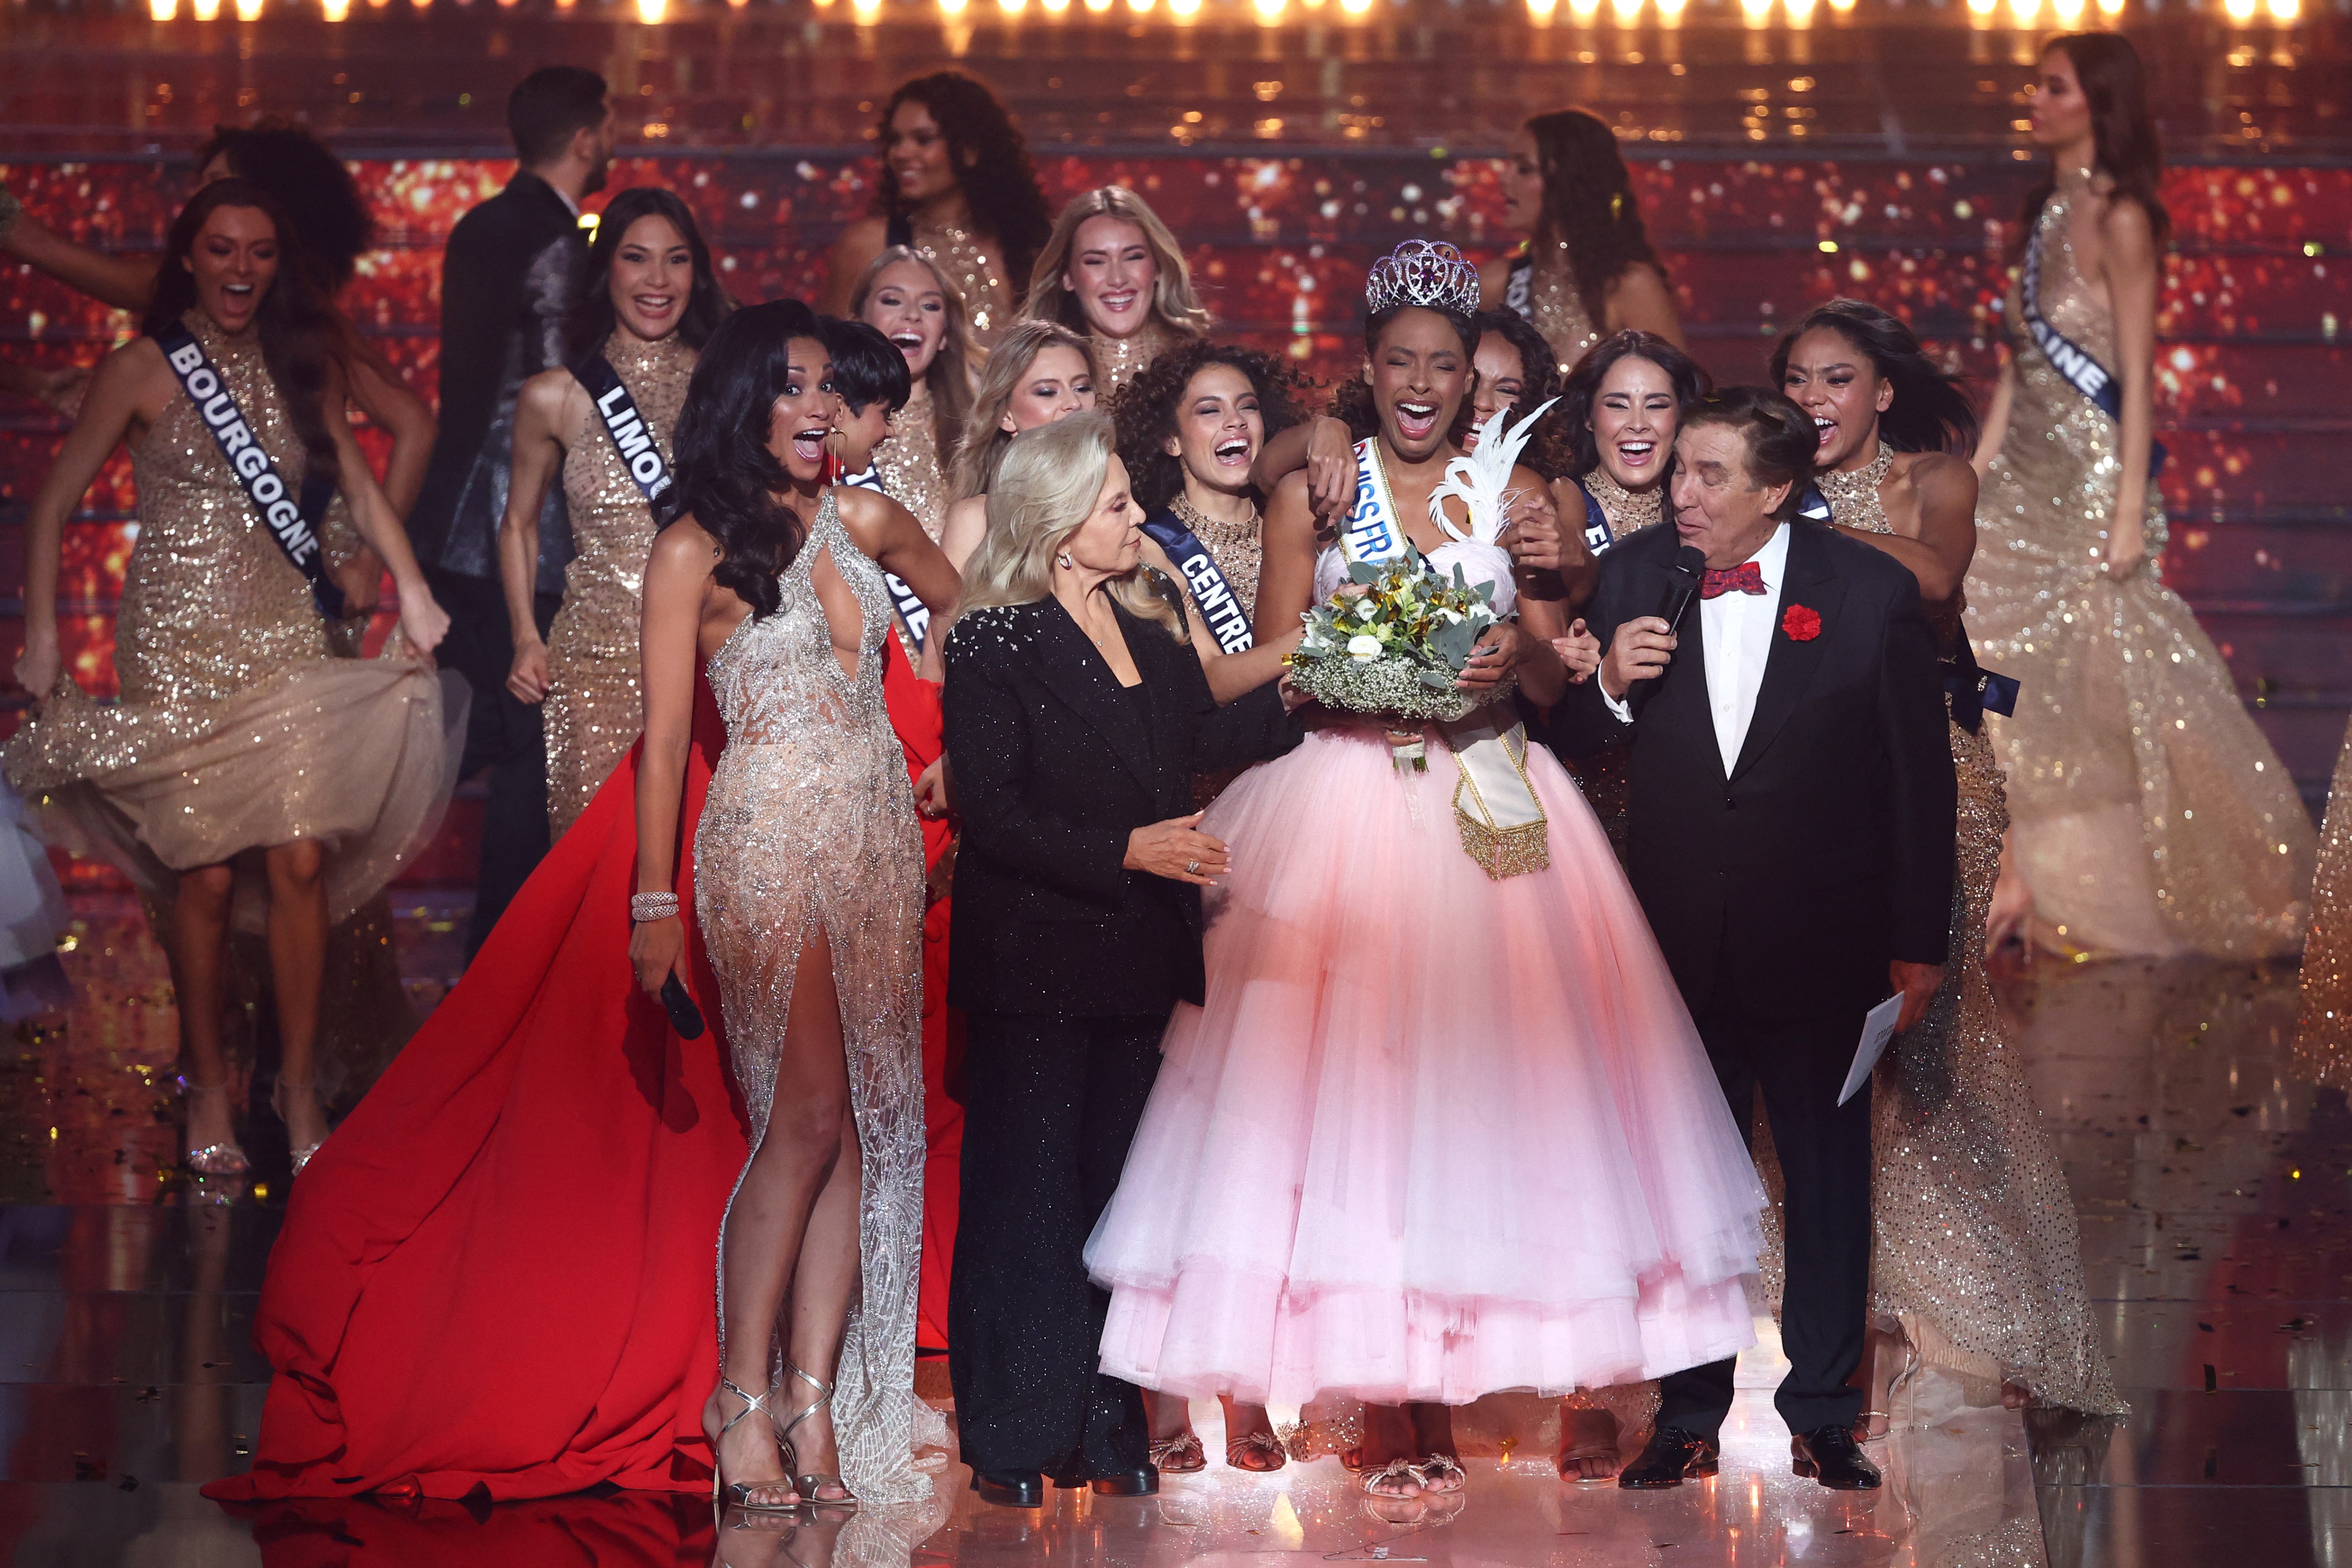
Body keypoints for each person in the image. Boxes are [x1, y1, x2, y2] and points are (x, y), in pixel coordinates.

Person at [1087, 243, 1765, 1506]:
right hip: (1341, 801)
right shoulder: (1317, 488)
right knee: (1350, 1100)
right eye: (1398, 361)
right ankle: (1389, 1402)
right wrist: (1361, 660)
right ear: (1368, 366)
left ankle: (1471, 1378)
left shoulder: (1521, 490)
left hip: (1485, 801)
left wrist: (1516, 647)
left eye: (1442, 366)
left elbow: (1555, 674)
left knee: (1486, 1103)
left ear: (1471, 379)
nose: (1419, 384)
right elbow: (1278, 671)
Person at [4, 179, 454, 1178]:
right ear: (189, 259)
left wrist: (412, 589)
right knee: (203, 876)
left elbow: (362, 487)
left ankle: (296, 1086)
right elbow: (53, 506)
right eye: (221, 249)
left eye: (258, 250)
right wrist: (42, 635)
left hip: (286, 640)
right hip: (174, 646)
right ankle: (209, 1077)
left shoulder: (305, 360)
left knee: (300, 859)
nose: (240, 269)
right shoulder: (139, 368)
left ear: (277, 263)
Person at [1552, 385, 1957, 1492]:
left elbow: (1918, 783)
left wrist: (1918, 942)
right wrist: (1608, 683)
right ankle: (1685, 1416)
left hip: (1822, 938)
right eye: (1679, 468)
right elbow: (1570, 735)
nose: (1680, 491)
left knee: (1827, 1182)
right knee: (1684, 1183)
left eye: (1710, 474)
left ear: (1776, 489)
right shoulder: (1636, 573)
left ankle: (1823, 1413)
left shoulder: (1868, 592)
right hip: (1675, 942)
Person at [939, 411, 1304, 1510]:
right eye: (1116, 505)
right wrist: (1125, 850)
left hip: (1139, 956)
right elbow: (992, 811)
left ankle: (1105, 1428)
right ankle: (1010, 1432)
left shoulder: (1147, 617)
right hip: (1035, 959)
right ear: (1058, 528)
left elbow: (1204, 738)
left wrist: (1321, 686)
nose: (1138, 517)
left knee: (1115, 1205)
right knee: (1025, 1198)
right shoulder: (992, 640)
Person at [1773, 298, 2126, 1426]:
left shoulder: (1930, 479)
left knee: (1929, 1043)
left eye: (1835, 379)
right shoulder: (1763, 490)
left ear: (1881, 392)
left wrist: (1789, 533)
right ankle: (1854, 1318)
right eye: (1795, 381)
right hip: (1811, 780)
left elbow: (1932, 578)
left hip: (1934, 773)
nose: (1812, 401)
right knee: (1820, 1054)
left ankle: (1999, 1313)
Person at [632, 299, 959, 1512]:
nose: (821, 407)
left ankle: (811, 1397)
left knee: (863, 1127)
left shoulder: (866, 518)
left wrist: (959, 736)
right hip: (767, 839)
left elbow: (968, 604)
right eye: (796, 385)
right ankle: (739, 1395)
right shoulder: (691, 548)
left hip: (877, 840)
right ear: (744, 401)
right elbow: (665, 740)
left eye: (830, 387)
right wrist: (652, 900)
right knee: (810, 1115)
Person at [1965, 32, 2313, 960]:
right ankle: (2012, 867)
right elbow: (2019, 366)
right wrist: (1976, 473)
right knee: (1984, 667)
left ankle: (2093, 882)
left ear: (2100, 104)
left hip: (2087, 485)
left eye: (2053, 87)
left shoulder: (2124, 219)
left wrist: (2126, 512)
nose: (2034, 101)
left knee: (2102, 684)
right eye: (2035, 86)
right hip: (2019, 481)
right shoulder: (2043, 214)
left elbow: (2135, 372)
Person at [411, 66, 616, 955]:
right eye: (610, 129)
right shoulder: (558, 242)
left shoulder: (478, 225)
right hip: (522, 523)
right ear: (587, 138)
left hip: (451, 512)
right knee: (530, 744)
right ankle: (504, 959)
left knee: (489, 734)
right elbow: (557, 392)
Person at [0, 119, 437, 522]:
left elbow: (416, 426)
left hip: (305, 562)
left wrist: (369, 562)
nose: (196, 198)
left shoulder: (315, 320)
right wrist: (32, 382)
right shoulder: (198, 292)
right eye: (200, 184)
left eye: (215, 184)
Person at [499, 185, 731, 837]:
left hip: (709, 660)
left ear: (697, 272)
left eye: (676, 259)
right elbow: (517, 524)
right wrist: (525, 636)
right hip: (593, 667)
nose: (658, 279)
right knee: (596, 865)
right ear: (605, 271)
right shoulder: (554, 397)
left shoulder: (726, 386)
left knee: (701, 868)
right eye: (636, 258)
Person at [822, 312, 964, 1359]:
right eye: (872, 409)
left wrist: (930, 700)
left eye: (875, 411)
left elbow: (954, 600)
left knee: (898, 1050)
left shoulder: (869, 513)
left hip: (887, 775)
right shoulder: (734, 520)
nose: (874, 429)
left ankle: (899, 1298)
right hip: (780, 793)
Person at [823, 71, 1053, 351]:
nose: (902, 153)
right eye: (895, 141)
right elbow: (833, 361)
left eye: (923, 140)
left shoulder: (1027, 246)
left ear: (969, 150)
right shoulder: (867, 246)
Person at [1477, 108, 1684, 371]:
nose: (1504, 178)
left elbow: (1679, 388)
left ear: (1569, 181)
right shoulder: (1496, 282)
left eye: (1525, 169)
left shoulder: (1628, 285)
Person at [938, 320, 1098, 571]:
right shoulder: (976, 520)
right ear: (1006, 416)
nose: (1074, 403)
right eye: (1047, 392)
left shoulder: (1120, 506)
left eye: (1082, 388)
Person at [1019, 186, 1210, 394]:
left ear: (1158, 267)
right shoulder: (1032, 375)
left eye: (1133, 257)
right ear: (1068, 276)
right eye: (1096, 262)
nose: (1117, 279)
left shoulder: (1200, 374)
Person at [847, 245, 976, 542]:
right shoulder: (829, 425)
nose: (913, 314)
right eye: (892, 301)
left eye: (930, 306)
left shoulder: (978, 431)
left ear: (944, 336)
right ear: (858, 323)